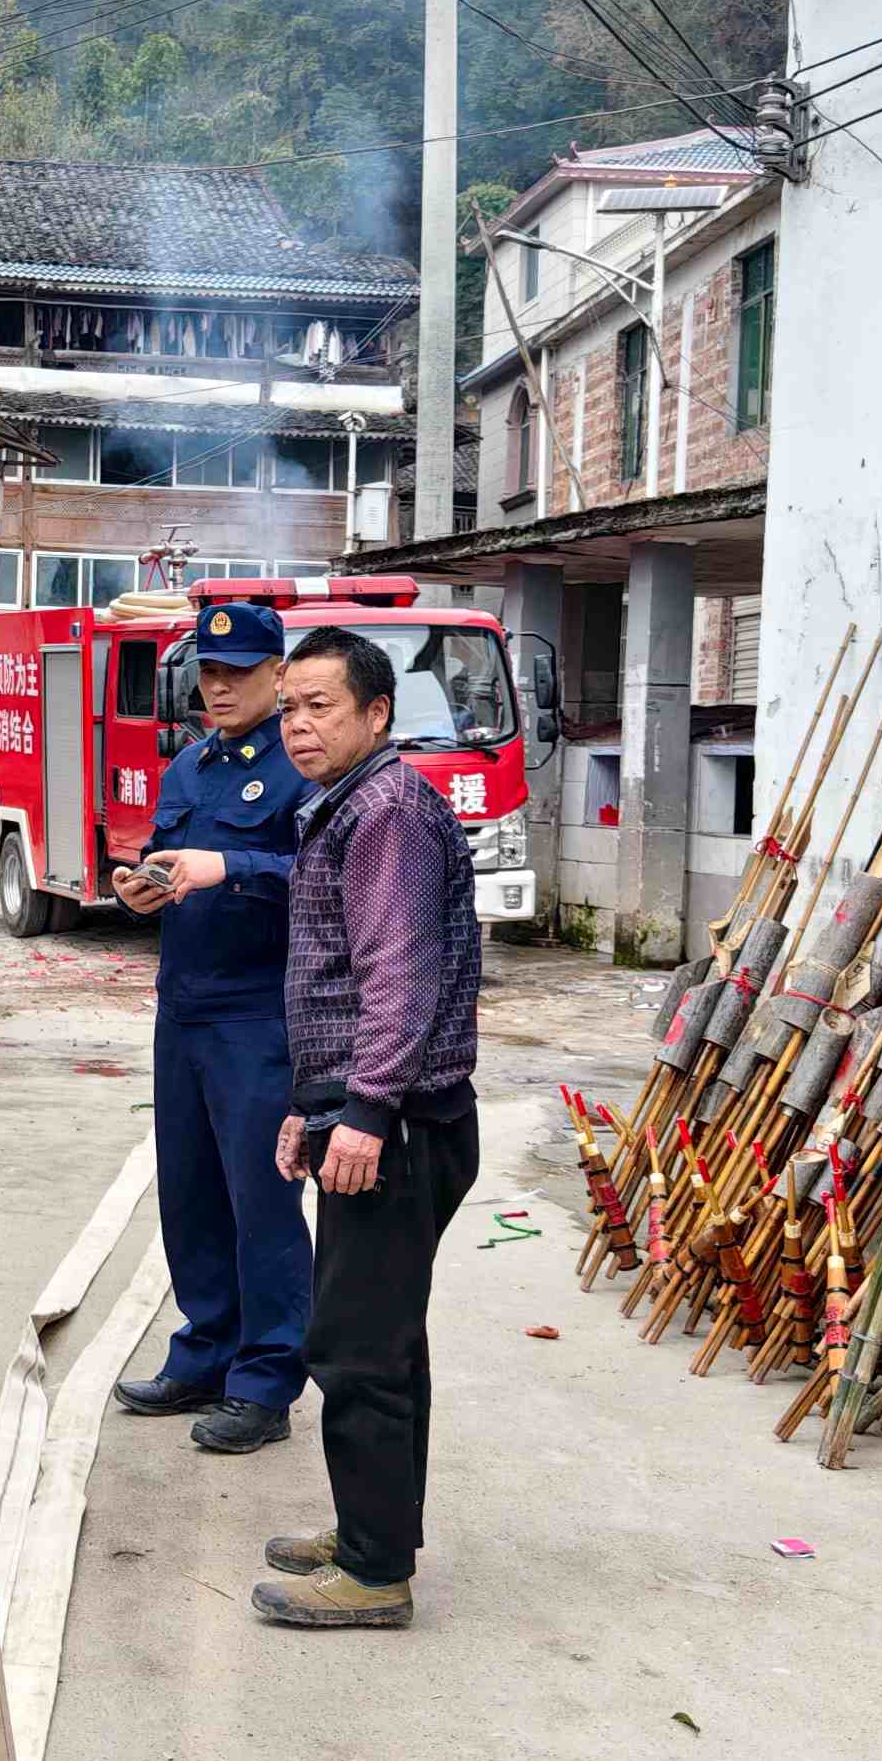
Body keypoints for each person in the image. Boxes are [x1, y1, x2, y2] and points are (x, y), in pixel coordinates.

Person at [249, 624, 483, 1631]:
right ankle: (372, 1530)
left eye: (320, 708)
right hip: (377, 1114)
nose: (297, 726)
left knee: (353, 1349)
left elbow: (399, 979)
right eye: (289, 707)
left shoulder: (384, 814)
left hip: (399, 1126)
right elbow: (338, 981)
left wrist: (367, 1114)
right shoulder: (350, 804)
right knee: (382, 1339)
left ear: (377, 714)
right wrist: (314, 1110)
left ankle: (376, 1573)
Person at [109, 601, 313, 1455]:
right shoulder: (189, 767)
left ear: (278, 675)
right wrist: (137, 889)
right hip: (183, 1006)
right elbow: (163, 854)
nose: (220, 687)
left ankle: (266, 1381)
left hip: (257, 1013)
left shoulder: (303, 770)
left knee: (261, 1199)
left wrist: (232, 863)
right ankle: (205, 1353)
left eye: (240, 672)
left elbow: (323, 873)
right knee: (191, 1192)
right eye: (210, 672)